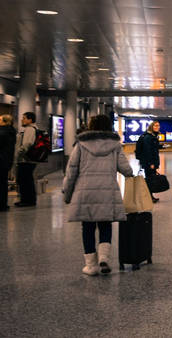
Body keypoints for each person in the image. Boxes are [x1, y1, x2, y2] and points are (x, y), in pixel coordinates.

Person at [62, 115, 133, 275]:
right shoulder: (115, 145)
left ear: (91, 126)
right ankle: (104, 259)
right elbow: (126, 169)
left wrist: (67, 194)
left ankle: (91, 266)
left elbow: (71, 171)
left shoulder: (81, 144)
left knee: (87, 227)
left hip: (85, 192)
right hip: (107, 191)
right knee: (105, 225)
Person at [13, 111, 38, 207]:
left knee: (25, 180)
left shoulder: (30, 129)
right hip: (28, 159)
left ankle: (27, 200)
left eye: (24, 118)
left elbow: (28, 143)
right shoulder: (32, 129)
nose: (21, 120)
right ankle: (27, 199)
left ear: (30, 120)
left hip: (26, 159)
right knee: (26, 179)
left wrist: (19, 152)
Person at [135, 121, 162, 203]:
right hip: (149, 162)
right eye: (155, 126)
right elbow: (148, 151)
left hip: (150, 162)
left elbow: (153, 147)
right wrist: (151, 163)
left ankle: (150, 196)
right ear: (151, 127)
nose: (157, 127)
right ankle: (149, 197)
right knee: (150, 179)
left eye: (158, 125)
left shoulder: (152, 136)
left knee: (150, 179)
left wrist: (161, 146)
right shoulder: (148, 137)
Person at [0, 115, 15, 212]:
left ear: (5, 122)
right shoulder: (11, 132)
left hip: (1, 160)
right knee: (3, 183)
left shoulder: (2, 132)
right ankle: (3, 204)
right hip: (6, 161)